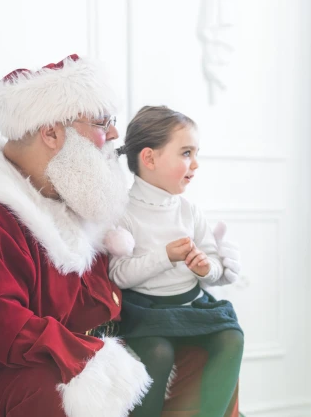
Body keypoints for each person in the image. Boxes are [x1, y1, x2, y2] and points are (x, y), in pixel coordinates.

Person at [0, 55, 240, 417]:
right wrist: (91, 354)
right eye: (102, 122)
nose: (114, 135)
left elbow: (100, 296)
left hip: (59, 345)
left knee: (202, 344)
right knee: (52, 387)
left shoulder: (66, 193)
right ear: (51, 133)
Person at [107, 105, 244, 417]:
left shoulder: (188, 211)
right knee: (157, 350)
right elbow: (119, 275)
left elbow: (215, 265)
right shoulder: (124, 213)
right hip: (146, 311)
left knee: (231, 336)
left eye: (196, 153)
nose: (195, 164)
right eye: (185, 153)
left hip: (191, 305)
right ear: (150, 158)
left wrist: (206, 268)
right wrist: (165, 256)